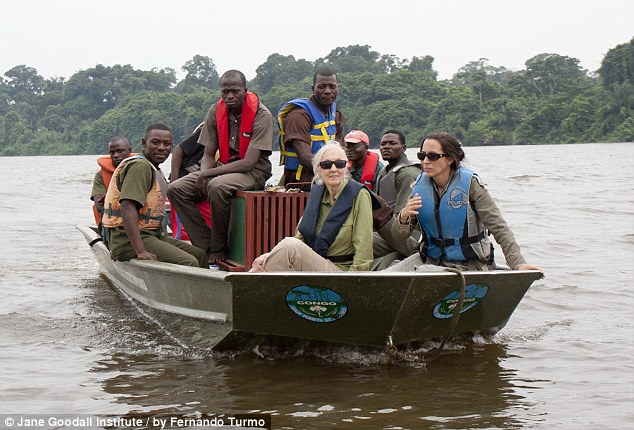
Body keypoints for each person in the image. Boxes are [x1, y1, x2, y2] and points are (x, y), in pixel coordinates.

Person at [388, 131, 541, 272]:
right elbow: (397, 237)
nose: (425, 161)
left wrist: (517, 263)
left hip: (469, 264)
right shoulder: (418, 188)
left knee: (422, 272)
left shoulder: (471, 186)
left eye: (433, 156)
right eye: (422, 156)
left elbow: (499, 228)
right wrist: (403, 218)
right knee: (388, 274)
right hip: (430, 259)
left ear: (450, 158)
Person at [167, 70, 274, 264]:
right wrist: (204, 174)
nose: (230, 96)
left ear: (245, 90)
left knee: (217, 186)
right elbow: (208, 154)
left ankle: (219, 248)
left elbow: (249, 162)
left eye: (235, 91)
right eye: (225, 91)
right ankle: (206, 247)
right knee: (175, 189)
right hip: (222, 166)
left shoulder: (262, 115)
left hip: (253, 171)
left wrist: (207, 174)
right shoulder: (216, 111)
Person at [249, 142, 375, 272]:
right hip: (317, 263)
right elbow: (300, 238)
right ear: (318, 170)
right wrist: (270, 255)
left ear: (346, 168)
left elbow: (363, 248)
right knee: (267, 259)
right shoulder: (318, 195)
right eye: (326, 165)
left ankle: (248, 287)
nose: (333, 169)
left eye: (339, 164)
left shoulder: (359, 195)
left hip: (342, 272)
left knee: (289, 245)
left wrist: (354, 282)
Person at [102, 124, 207, 268]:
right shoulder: (140, 166)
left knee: (200, 255)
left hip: (149, 235)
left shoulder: (152, 167)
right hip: (126, 241)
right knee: (189, 262)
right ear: (144, 143)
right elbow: (127, 207)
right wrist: (141, 251)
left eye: (167, 144)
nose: (162, 148)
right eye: (155, 142)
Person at [278, 67, 346, 188]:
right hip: (303, 180)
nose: (327, 91)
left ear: (337, 88)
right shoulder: (298, 116)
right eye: (321, 87)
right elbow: (305, 158)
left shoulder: (335, 114)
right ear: (313, 89)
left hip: (330, 176)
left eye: (332, 86)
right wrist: (332, 173)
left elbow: (342, 150)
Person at [167, 123, 211, 241]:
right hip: (184, 183)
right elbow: (179, 150)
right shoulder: (210, 129)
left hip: (205, 188)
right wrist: (174, 182)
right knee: (184, 231)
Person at [90, 137, 132, 227]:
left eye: (120, 151)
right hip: (112, 225)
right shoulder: (100, 175)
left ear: (129, 151)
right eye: (112, 152)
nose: (115, 155)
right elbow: (99, 206)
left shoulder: (141, 169)